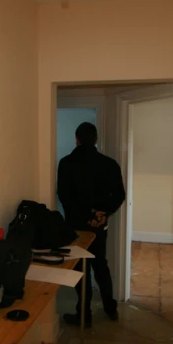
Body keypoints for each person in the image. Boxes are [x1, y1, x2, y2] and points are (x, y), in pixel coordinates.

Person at [57, 122, 126, 326]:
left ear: (76, 139)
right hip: (99, 225)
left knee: (80, 268)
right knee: (100, 265)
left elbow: (64, 196)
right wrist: (102, 213)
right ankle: (110, 308)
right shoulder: (109, 164)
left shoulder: (66, 163)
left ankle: (84, 315)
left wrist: (86, 213)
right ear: (95, 140)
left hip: (76, 225)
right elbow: (119, 195)